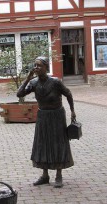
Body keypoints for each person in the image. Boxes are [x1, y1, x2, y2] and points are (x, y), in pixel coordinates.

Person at [17, 56, 76, 188]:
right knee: (42, 143)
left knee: (58, 143)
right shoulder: (34, 83)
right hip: (43, 116)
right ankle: (45, 175)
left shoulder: (55, 82)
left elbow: (68, 94)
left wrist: (72, 111)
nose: (36, 68)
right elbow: (19, 94)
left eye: (39, 65)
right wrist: (28, 78)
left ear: (46, 67)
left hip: (57, 115)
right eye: (35, 65)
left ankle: (59, 175)